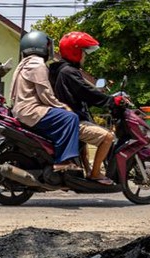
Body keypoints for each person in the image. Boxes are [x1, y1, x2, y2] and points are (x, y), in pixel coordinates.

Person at [9, 31, 81, 172]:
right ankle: (63, 161)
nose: (49, 49)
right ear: (40, 47)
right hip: (31, 110)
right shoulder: (37, 64)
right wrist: (62, 106)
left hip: (20, 110)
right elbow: (45, 94)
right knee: (71, 118)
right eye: (48, 46)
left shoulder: (23, 64)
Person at [49, 31, 115, 185]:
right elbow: (87, 92)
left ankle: (85, 171)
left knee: (85, 142)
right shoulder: (69, 72)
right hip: (71, 119)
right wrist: (110, 101)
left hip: (64, 118)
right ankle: (95, 174)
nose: (84, 56)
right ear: (75, 52)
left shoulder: (58, 69)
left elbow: (84, 92)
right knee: (108, 137)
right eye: (83, 52)